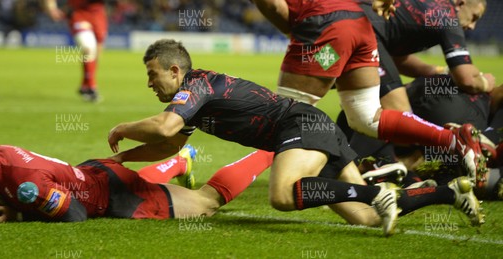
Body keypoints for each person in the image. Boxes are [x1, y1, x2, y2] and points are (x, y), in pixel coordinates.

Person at [107, 39, 484, 236]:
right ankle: (450, 192)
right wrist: (127, 158)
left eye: (153, 75)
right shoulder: (194, 95)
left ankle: (377, 191)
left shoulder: (196, 86)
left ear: (175, 70)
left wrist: (122, 129)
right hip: (313, 127)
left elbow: (165, 128)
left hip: (301, 126)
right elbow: (171, 143)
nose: (150, 83)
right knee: (367, 219)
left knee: (283, 194)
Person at [251, 0, 486, 185]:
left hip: (330, 29)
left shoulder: (443, 13)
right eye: (475, 17)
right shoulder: (433, 11)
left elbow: (274, 6)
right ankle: (451, 141)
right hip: (357, 26)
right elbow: (400, 58)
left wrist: (303, 36)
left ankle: (220, 191)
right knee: (366, 116)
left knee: (285, 117)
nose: (474, 26)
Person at [0, 122, 273, 222]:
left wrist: (15, 217)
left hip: (114, 194)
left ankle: (274, 148)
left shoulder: (26, 184)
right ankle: (182, 161)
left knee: (205, 203)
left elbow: (76, 214)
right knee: (146, 183)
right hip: (92, 175)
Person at [335, 0, 494, 177]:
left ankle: (343, 170)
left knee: (347, 107)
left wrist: (436, 71)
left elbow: (398, 59)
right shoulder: (447, 15)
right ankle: (379, 167)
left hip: (340, 25)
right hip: (362, 30)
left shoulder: (426, 10)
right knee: (400, 113)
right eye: (474, 17)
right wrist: (486, 82)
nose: (472, 26)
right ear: (460, 3)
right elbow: (467, 79)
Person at [44, 0, 107, 102]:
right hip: (78, 15)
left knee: (96, 54)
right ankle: (91, 87)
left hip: (98, 15)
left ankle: (84, 86)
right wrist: (52, 8)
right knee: (88, 48)